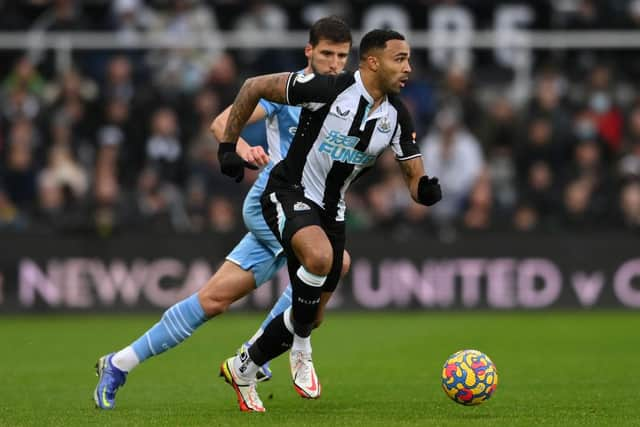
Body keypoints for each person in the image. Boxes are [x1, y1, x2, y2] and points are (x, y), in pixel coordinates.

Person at [93, 16, 353, 410]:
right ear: (309, 52)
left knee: (213, 300)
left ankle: (119, 362)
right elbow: (220, 123)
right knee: (331, 264)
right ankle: (255, 355)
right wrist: (244, 150)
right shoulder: (286, 89)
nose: (334, 63)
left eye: (342, 56)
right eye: (327, 54)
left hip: (308, 211)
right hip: (274, 201)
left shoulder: (350, 98)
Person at [216, 29, 442, 412]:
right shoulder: (325, 88)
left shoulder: (396, 115)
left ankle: (246, 364)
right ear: (372, 62)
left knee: (312, 313)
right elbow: (253, 86)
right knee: (319, 260)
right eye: (400, 59)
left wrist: (425, 191)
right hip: (287, 191)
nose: (408, 68)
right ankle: (300, 348)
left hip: (332, 209)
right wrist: (227, 146)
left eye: (408, 59)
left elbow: (413, 176)